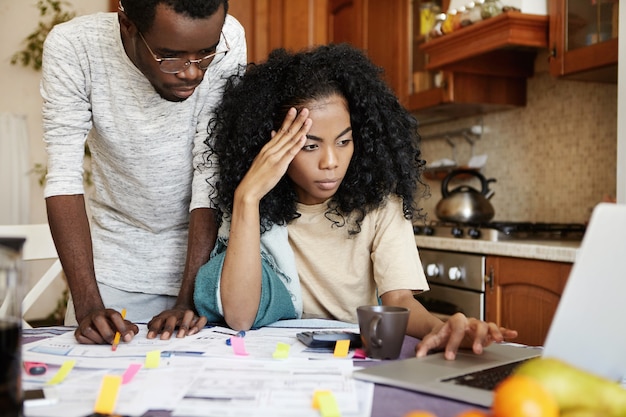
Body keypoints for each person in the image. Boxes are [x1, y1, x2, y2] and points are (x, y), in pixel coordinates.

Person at [193, 44, 518, 359]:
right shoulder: (260, 212)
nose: (330, 161)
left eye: (344, 141)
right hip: (280, 359)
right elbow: (239, 317)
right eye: (310, 146)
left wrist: (440, 327)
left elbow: (399, 300)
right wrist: (247, 197)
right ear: (271, 147)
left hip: (357, 358)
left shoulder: (382, 205)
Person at [40, 0, 246, 345]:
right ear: (127, 26)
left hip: (207, 275)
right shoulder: (73, 46)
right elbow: (63, 175)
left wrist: (189, 298)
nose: (192, 71)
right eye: (170, 55)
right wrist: (88, 305)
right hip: (112, 276)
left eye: (205, 53)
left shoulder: (229, 37)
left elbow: (209, 169)